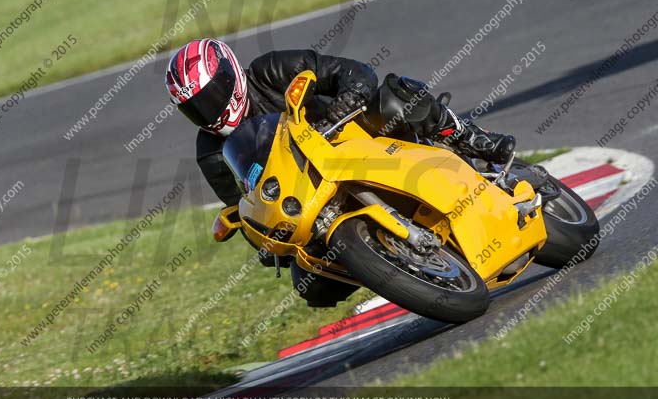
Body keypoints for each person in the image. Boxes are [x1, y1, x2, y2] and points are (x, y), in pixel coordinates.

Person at [164, 38, 515, 307]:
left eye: (211, 95)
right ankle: (387, 263)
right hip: (312, 197)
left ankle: (471, 139)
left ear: (231, 74)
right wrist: (262, 238)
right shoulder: (210, 152)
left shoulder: (269, 70)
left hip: (353, 135)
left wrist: (351, 95)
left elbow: (351, 71)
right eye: (195, 106)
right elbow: (244, 204)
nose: (208, 110)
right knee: (311, 284)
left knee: (394, 97)